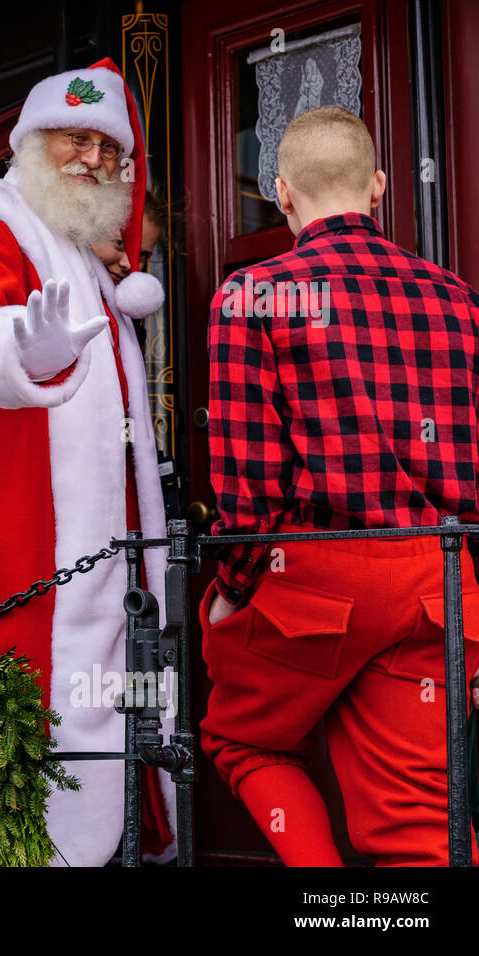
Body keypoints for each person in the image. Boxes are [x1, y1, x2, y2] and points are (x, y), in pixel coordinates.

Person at [0, 59, 175, 865]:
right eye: (73, 138)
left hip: (101, 566)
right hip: (22, 555)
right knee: (24, 728)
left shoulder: (81, 257)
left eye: (105, 146)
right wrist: (25, 347)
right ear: (31, 141)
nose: (91, 158)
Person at [202, 105, 479, 866]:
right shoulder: (458, 299)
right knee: (417, 818)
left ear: (281, 193)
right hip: (438, 577)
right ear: (379, 186)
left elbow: (248, 470)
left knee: (241, 739)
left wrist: (234, 578)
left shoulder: (250, 295)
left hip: (318, 573)